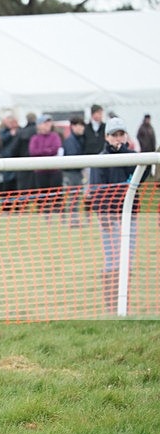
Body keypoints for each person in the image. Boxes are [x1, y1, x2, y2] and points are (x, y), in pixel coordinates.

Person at [86, 117, 138, 313]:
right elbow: (97, 190)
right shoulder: (100, 160)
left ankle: (124, 301)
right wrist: (103, 215)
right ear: (106, 137)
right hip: (110, 218)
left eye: (121, 134)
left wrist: (124, 152)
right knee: (112, 261)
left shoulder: (133, 157)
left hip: (130, 217)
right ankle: (110, 303)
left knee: (127, 261)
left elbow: (136, 178)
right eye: (114, 135)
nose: (117, 138)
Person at [29, 115, 63, 213]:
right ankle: (45, 216)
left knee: (57, 195)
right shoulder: (35, 138)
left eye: (49, 122)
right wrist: (47, 151)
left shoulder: (55, 136)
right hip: (40, 172)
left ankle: (59, 215)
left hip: (54, 171)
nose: (48, 125)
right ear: (39, 125)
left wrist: (42, 151)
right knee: (42, 197)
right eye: (45, 122)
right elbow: (33, 152)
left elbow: (55, 149)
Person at [61, 116, 86, 226]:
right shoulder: (71, 141)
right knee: (73, 198)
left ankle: (73, 220)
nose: (82, 128)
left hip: (75, 173)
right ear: (73, 126)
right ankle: (73, 221)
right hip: (71, 173)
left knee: (74, 198)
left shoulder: (77, 139)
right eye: (79, 125)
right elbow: (73, 158)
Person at [12, 113, 37, 191]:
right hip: (37, 163)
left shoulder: (21, 132)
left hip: (22, 163)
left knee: (23, 190)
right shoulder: (39, 131)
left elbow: (14, 148)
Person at [0, 114, 20, 193]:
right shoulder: (2, 131)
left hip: (16, 161)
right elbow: (0, 141)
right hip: (5, 161)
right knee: (6, 185)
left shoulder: (19, 131)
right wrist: (10, 134)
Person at [137, 114, 156, 180]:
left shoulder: (151, 127)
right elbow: (138, 136)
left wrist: (154, 147)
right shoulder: (142, 127)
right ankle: (144, 175)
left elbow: (153, 138)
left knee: (150, 164)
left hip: (151, 149)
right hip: (144, 149)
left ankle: (150, 174)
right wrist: (143, 144)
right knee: (144, 164)